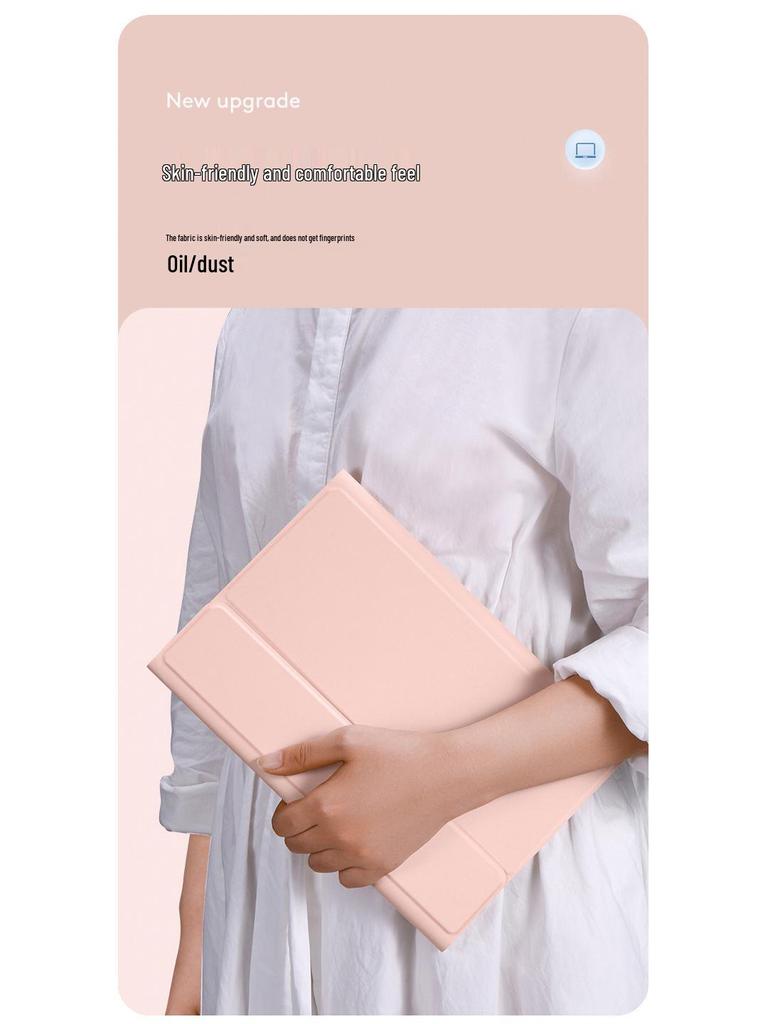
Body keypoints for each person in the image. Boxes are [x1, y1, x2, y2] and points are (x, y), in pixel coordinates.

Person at [161, 307, 648, 1015]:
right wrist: (197, 936)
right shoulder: (252, 321)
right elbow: (216, 624)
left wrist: (454, 772)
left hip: (503, 926)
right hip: (260, 921)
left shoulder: (576, 306)